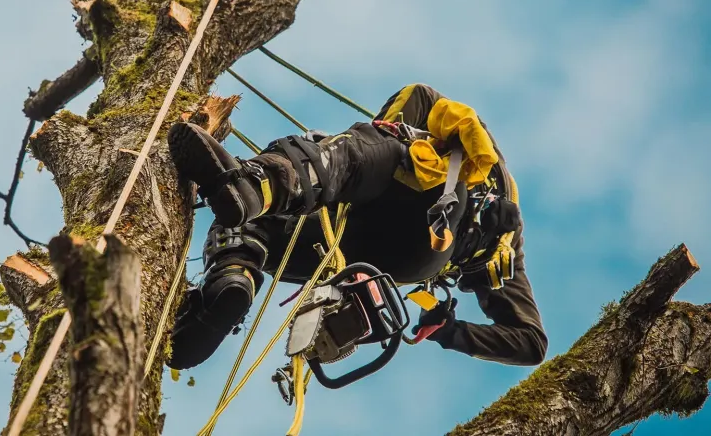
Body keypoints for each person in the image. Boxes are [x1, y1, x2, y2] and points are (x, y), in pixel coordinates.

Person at [165, 83, 548, 370]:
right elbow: (531, 342)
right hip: (384, 260)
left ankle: (262, 185)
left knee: (373, 146)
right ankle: (230, 285)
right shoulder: (507, 252)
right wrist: (449, 331)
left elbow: (385, 130)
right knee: (248, 223)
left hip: (431, 217)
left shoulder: (430, 110)